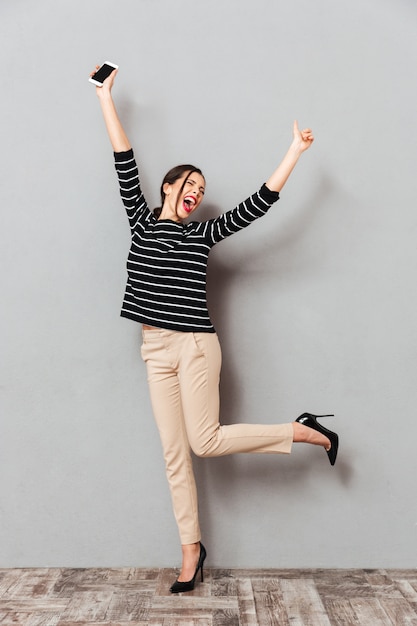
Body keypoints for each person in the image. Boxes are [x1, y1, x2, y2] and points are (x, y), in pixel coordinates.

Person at [91, 65, 339, 593]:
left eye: (201, 190)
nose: (197, 194)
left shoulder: (204, 232)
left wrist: (293, 152)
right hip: (153, 348)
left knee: (203, 442)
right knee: (174, 454)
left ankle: (297, 430)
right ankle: (190, 553)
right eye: (190, 185)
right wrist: (104, 96)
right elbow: (123, 158)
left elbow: (258, 206)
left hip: (198, 348)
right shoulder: (140, 217)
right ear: (168, 187)